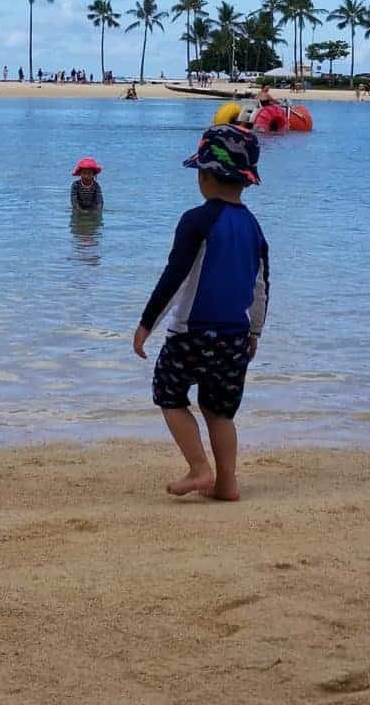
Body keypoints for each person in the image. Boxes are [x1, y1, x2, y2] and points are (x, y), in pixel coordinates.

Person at [132, 125, 268, 502]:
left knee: (169, 395)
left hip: (191, 334)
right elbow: (260, 286)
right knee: (219, 410)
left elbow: (174, 277)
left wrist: (146, 325)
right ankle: (226, 483)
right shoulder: (253, 227)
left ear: (205, 176)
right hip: (235, 337)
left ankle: (198, 467)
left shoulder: (196, 221)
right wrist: (254, 332)